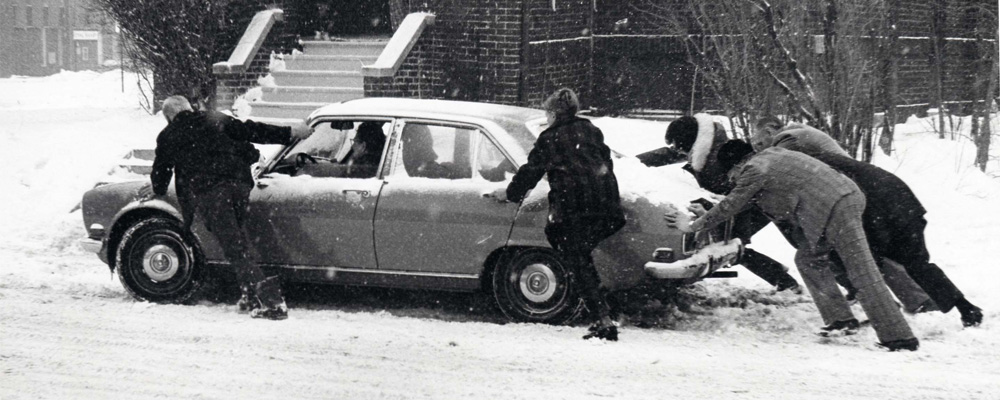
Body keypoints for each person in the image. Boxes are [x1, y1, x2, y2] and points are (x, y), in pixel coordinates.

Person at [666, 140, 919, 351]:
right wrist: (709, 211)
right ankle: (840, 320)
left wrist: (692, 225)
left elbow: (733, 204)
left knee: (861, 269)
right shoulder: (772, 156)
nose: (731, 179)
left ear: (735, 165)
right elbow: (741, 201)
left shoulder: (755, 169)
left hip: (833, 207)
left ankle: (898, 337)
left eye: (730, 174)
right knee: (809, 261)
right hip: (842, 199)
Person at [754, 117, 984, 328]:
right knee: (914, 262)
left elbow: (777, 163)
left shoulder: (789, 141)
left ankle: (878, 307)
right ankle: (965, 308)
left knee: (858, 259)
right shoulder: (808, 139)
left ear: (769, 130)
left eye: (758, 141)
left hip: (870, 200)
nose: (760, 148)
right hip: (894, 193)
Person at [138, 95, 314, 320]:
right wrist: (289, 132)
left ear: (168, 117)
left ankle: (272, 303)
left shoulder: (169, 134)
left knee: (235, 248)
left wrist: (157, 188)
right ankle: (249, 296)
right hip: (239, 188)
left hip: (211, 193)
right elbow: (251, 131)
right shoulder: (215, 119)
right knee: (237, 241)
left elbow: (162, 171)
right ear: (190, 108)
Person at [491, 88, 626, 340]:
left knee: (577, 259)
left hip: (577, 209)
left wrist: (510, 194)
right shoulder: (590, 130)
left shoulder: (550, 138)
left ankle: (604, 319)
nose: (547, 117)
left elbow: (530, 171)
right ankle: (606, 312)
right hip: (607, 207)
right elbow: (606, 162)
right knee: (581, 258)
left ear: (553, 113)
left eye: (547, 112)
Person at [664, 115, 801, 293]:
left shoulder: (722, 154)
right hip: (741, 203)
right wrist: (631, 162)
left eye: (678, 146)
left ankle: (785, 280)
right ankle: (782, 277)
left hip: (749, 204)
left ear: (688, 141)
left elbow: (743, 186)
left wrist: (717, 210)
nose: (678, 151)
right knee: (735, 247)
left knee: (735, 246)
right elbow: (665, 154)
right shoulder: (705, 149)